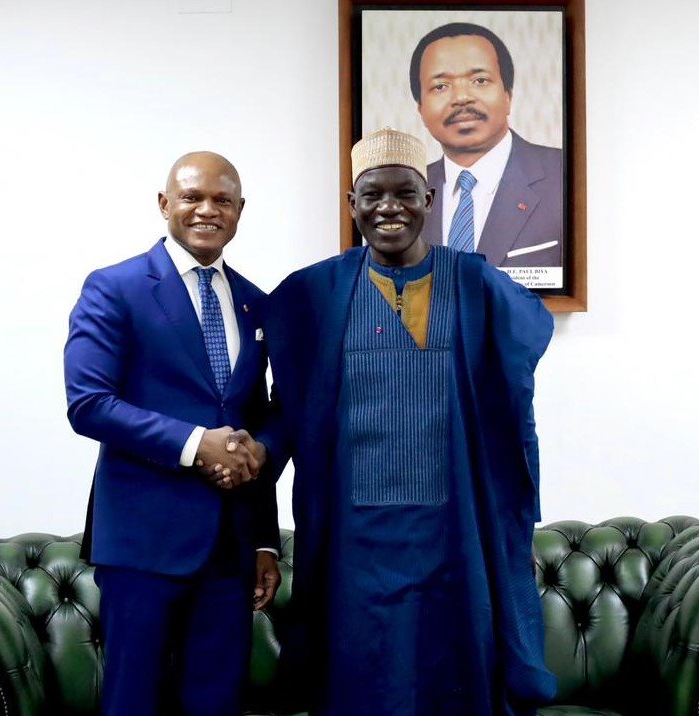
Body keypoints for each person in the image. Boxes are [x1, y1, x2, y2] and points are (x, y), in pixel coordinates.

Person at [261, 128, 556, 715]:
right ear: (353, 204)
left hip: (454, 530)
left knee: (455, 669)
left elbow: (516, 387)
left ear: (430, 200)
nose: (388, 207)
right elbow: (285, 408)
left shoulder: (475, 285)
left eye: (405, 193)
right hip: (351, 536)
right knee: (356, 675)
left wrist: (512, 515)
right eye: (372, 195)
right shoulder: (315, 293)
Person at [64, 151, 280, 715]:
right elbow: (88, 403)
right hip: (142, 544)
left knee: (218, 703)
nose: (208, 210)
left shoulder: (256, 301)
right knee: (135, 702)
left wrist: (263, 540)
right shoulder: (115, 287)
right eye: (192, 197)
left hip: (230, 548)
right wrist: (194, 444)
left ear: (239, 211)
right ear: (165, 204)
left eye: (222, 200)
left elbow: (258, 416)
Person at [409, 22, 563, 268]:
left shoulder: (565, 175)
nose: (461, 98)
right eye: (440, 86)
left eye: (479, 80)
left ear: (508, 95)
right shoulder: (406, 192)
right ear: (421, 109)